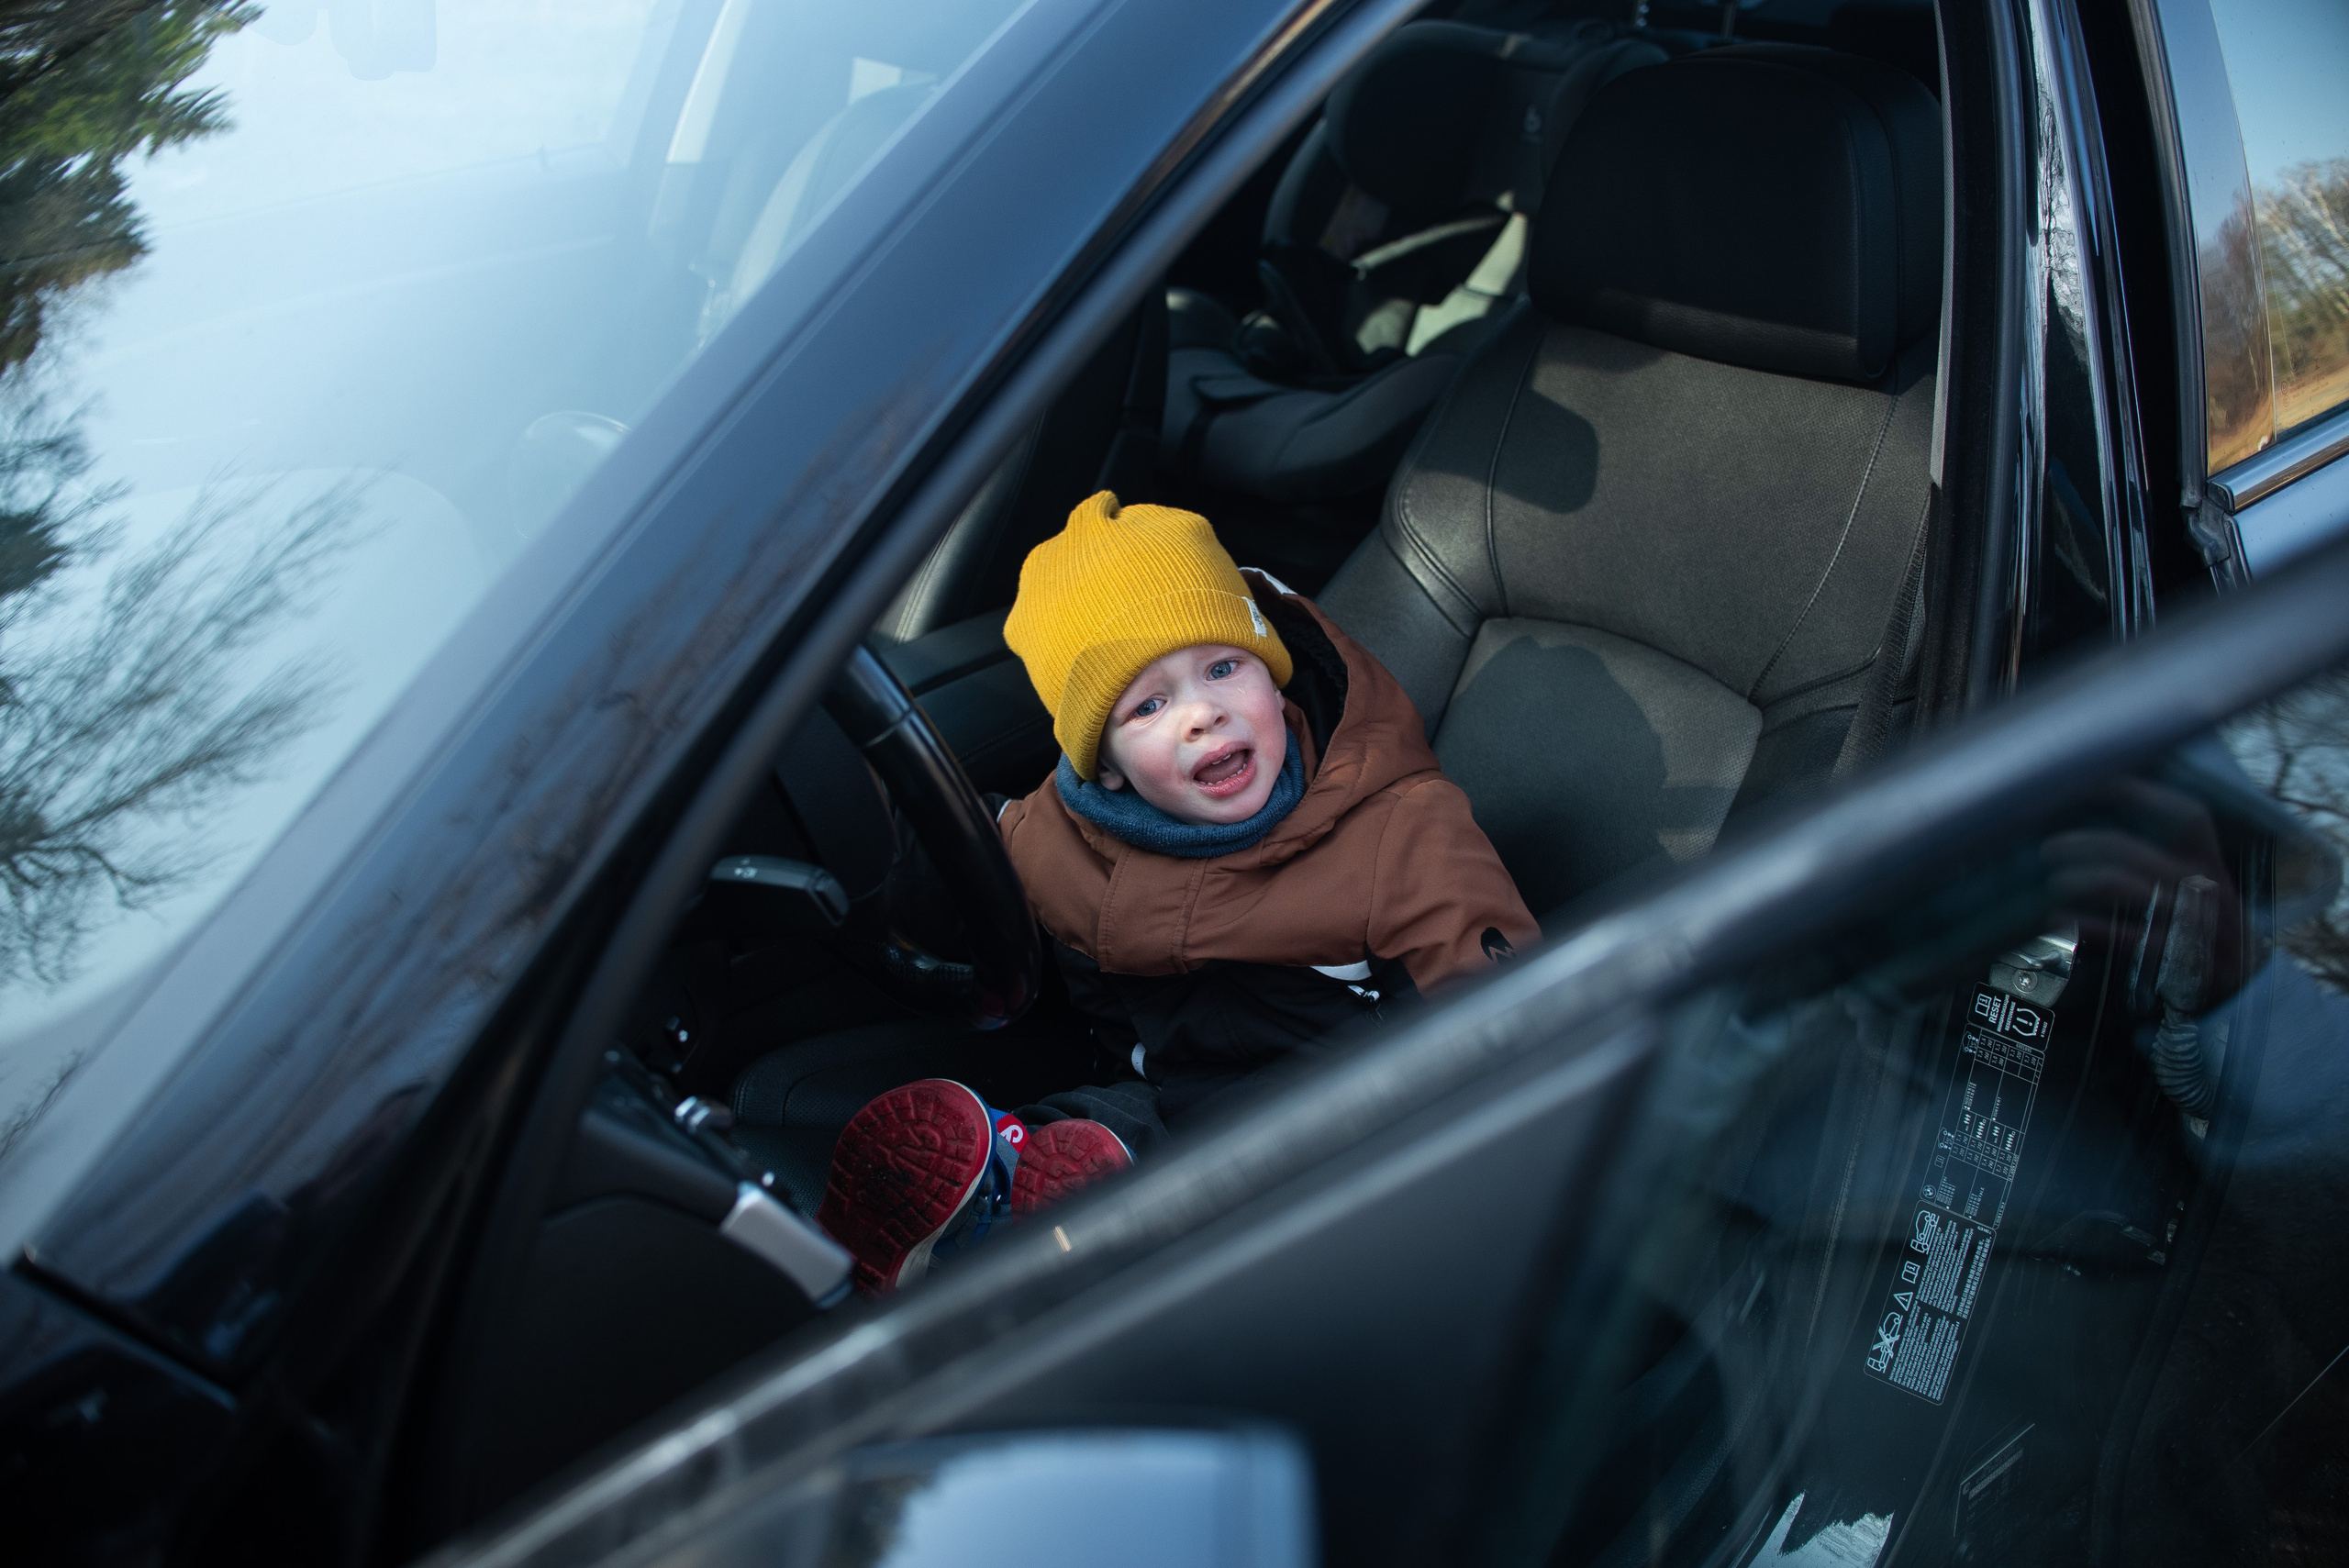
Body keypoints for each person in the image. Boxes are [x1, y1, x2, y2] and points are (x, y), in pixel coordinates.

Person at [817, 491, 1538, 1292]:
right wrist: (861, 826)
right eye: (1150, 704)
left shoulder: (1401, 833)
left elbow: (1500, 1025)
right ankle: (988, 1190)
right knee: (1097, 1130)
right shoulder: (1056, 838)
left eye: (1224, 667)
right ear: (1108, 763)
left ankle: (1075, 1224)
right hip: (1162, 1089)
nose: (1203, 713)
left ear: (1274, 676)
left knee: (1205, 1161)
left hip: (1341, 1118)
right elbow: (966, 887)